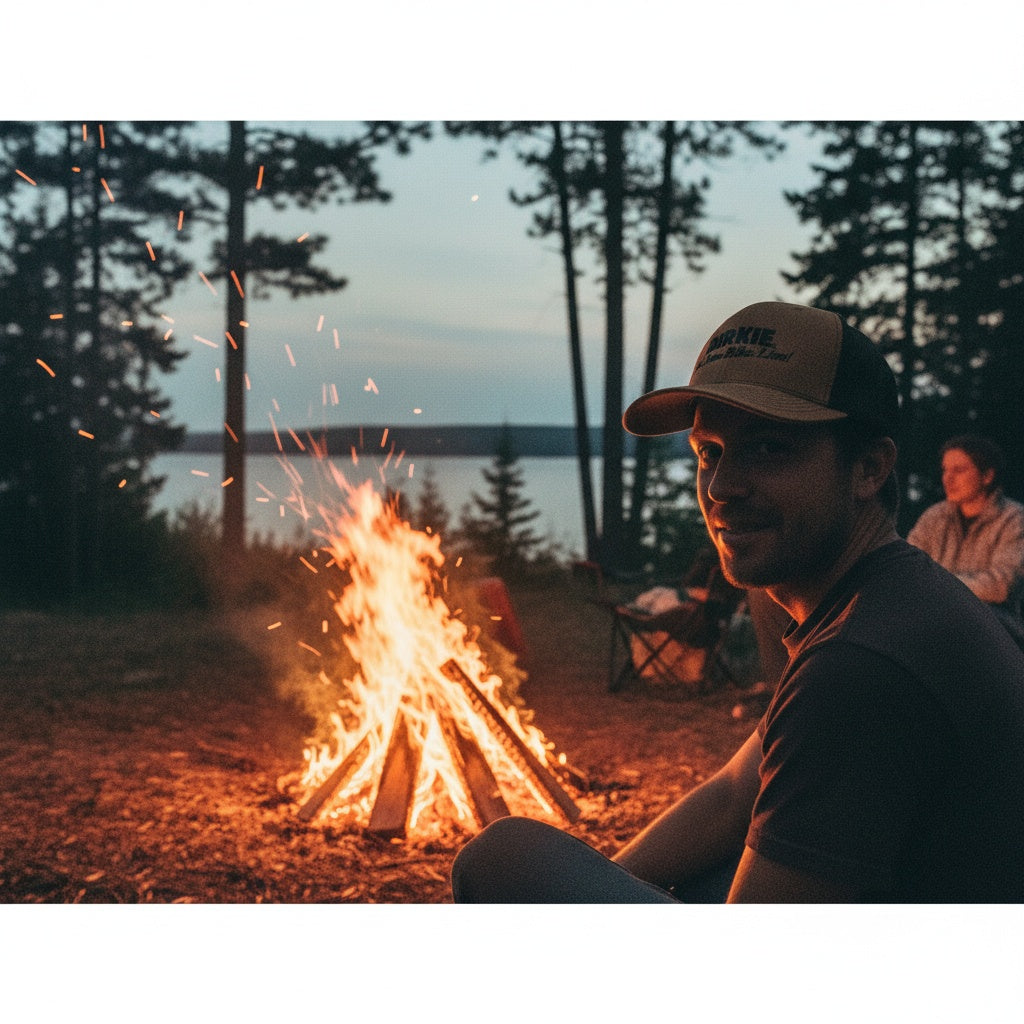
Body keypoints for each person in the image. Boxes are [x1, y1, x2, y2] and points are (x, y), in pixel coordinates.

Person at [450, 300, 1024, 903]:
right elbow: (732, 795)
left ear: (869, 468)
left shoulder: (862, 664)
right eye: (710, 452)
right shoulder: (885, 601)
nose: (721, 487)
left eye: (769, 448)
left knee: (505, 859)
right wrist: (611, 882)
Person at [907, 434, 1024, 638]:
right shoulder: (934, 517)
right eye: (945, 470)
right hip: (932, 621)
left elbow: (1002, 585)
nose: (948, 478)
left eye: (959, 470)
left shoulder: (1014, 519)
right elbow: (907, 568)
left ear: (987, 476)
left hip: (995, 632)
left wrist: (936, 585)